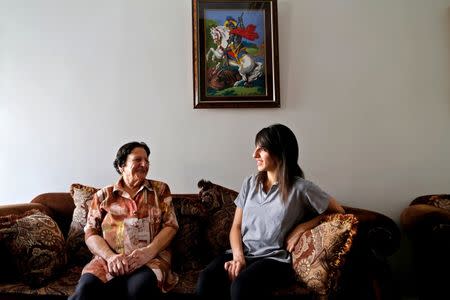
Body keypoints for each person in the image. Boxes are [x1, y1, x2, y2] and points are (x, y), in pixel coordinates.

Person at [195, 124, 345, 300]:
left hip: (275, 260)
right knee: (206, 279)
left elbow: (339, 212)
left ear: (279, 152)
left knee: (241, 286)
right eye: (255, 148)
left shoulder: (301, 188)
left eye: (262, 149)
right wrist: (238, 257)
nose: (254, 155)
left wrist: (302, 227)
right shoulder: (250, 183)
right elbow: (236, 226)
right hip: (244, 252)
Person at [69, 141, 179, 300]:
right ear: (121, 166)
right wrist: (110, 256)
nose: (144, 164)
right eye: (137, 160)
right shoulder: (103, 196)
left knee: (140, 288)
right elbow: (90, 233)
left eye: (147, 161)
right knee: (86, 288)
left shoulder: (160, 190)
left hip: (151, 259)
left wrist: (148, 252)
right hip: (108, 260)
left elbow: (171, 226)